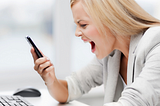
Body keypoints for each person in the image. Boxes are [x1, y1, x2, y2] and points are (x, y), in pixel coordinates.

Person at [31, 0, 160, 105]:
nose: (77, 33)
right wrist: (50, 79)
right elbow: (71, 88)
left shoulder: (156, 43)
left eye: (83, 25)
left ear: (109, 19)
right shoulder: (112, 54)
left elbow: (135, 101)